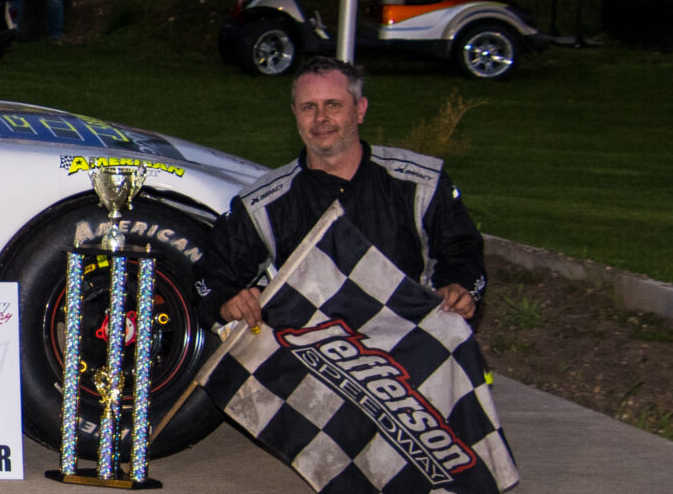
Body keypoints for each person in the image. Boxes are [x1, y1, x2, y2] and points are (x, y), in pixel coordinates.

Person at [198, 57, 486, 330]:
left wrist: (460, 287)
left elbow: (463, 252)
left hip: (408, 346)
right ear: (295, 114)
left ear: (360, 109)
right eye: (309, 107)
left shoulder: (421, 181)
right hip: (310, 355)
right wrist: (226, 303)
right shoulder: (263, 202)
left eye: (333, 105)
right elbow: (210, 279)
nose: (321, 118)